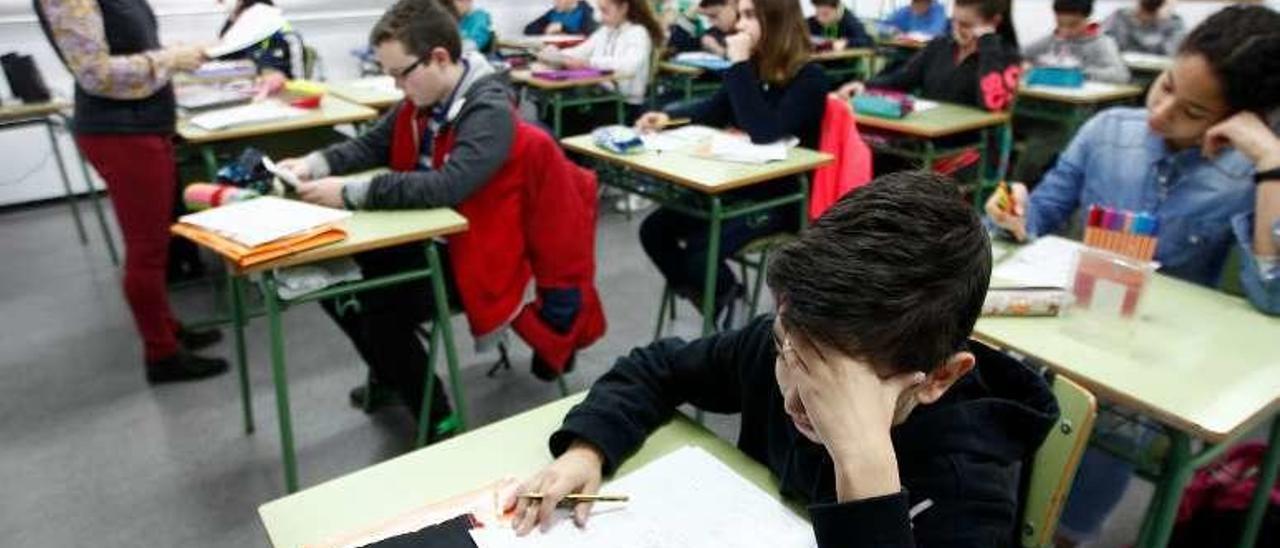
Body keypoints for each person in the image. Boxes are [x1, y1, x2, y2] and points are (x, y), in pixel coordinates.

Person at [505, 171, 1060, 547]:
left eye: (832, 387)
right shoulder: (802, 340)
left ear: (938, 379)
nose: (793, 396)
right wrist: (587, 450)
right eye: (784, 351)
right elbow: (657, 367)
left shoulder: (969, 492)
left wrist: (865, 466)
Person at [983, 5, 1280, 543]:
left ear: (1242, 120)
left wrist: (1269, 160)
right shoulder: (1107, 131)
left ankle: (1066, 532)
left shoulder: (1252, 176)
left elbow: (1273, 295)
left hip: (1157, 363)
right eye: (1164, 86)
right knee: (1004, 390)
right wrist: (1010, 214)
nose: (1160, 114)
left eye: (1192, 111)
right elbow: (1036, 216)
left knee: (1110, 420)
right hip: (1070, 327)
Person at [274, 0, 519, 437]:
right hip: (427, 237)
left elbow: (448, 186)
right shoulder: (423, 96)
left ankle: (437, 414)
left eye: (400, 73)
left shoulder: (489, 108)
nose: (396, 84)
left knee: (381, 311)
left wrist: (349, 192)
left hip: (474, 254)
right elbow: (371, 145)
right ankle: (391, 373)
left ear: (439, 58)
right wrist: (312, 165)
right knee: (327, 279)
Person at [35, 0, 228, 383]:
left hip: (143, 124)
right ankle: (161, 354)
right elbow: (96, 73)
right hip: (122, 132)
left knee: (156, 240)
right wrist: (170, 59)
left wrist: (170, 55)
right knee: (147, 249)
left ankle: (167, 328)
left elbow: (124, 49)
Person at [634, 0, 829, 323]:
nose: (739, 25)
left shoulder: (809, 77)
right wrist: (668, 116)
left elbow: (765, 131)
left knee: (701, 252)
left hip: (781, 198)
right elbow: (712, 109)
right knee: (653, 231)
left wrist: (737, 64)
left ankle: (724, 309)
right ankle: (724, 301)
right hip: (737, 185)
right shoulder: (751, 67)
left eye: (750, 16)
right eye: (740, 15)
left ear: (776, 20)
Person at [538, 0, 664, 119]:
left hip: (625, 104)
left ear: (623, 8)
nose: (600, 17)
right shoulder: (606, 30)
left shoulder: (638, 33)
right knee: (553, 112)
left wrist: (589, 63)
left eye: (605, 11)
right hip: (604, 97)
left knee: (562, 116)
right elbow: (581, 51)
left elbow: (628, 65)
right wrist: (556, 55)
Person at [1023, 0, 1129, 84]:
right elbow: (1019, 55)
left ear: (1087, 19)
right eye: (1060, 24)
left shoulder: (1102, 43)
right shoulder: (1051, 40)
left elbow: (1120, 75)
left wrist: (1078, 73)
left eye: (1073, 25)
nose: (1065, 31)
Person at [1103, 0, 1187, 56]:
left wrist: (1160, 22)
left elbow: (1169, 54)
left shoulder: (1174, 23)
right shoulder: (1120, 16)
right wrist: (1136, 22)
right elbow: (1110, 48)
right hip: (1123, 72)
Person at [807, 0, 873, 51]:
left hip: (843, 65)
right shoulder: (813, 21)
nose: (820, 19)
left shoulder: (850, 21)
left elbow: (867, 41)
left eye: (825, 14)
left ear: (838, 9)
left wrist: (847, 43)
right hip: (818, 60)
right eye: (817, 13)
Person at [524, 0, 599, 37]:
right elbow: (528, 29)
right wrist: (545, 30)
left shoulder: (588, 12)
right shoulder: (553, 12)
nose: (555, 3)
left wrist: (563, 28)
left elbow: (589, 36)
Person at [882, 0, 949, 38]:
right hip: (905, 49)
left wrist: (911, 35)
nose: (918, 7)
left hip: (928, 51)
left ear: (930, 3)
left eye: (923, 4)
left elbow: (936, 31)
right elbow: (884, 24)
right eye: (916, 3)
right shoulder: (905, 11)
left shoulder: (938, 10)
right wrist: (891, 30)